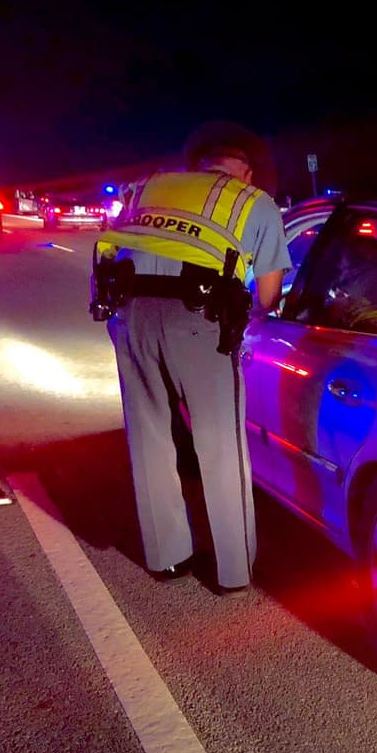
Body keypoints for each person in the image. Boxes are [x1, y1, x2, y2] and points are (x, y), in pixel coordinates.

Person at [97, 121, 291, 593]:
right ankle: (233, 572)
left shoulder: (149, 187)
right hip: (200, 322)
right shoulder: (254, 202)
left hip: (129, 316)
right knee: (221, 445)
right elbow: (268, 294)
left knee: (149, 437)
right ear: (245, 170)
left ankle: (167, 558)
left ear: (203, 163)